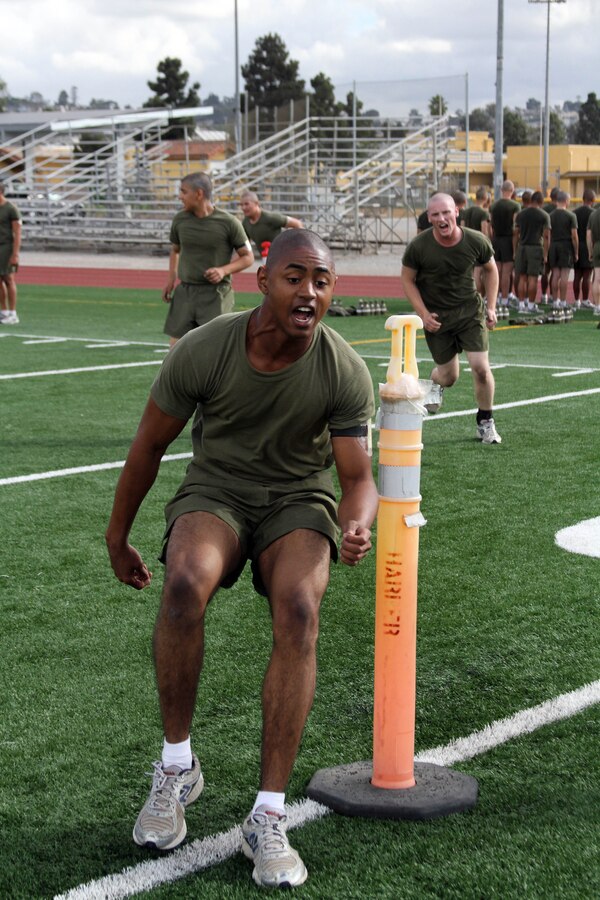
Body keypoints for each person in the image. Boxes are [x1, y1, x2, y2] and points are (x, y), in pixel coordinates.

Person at [105, 228, 378, 889]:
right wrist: (117, 537)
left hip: (297, 500)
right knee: (183, 586)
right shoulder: (205, 349)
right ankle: (176, 767)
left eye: (322, 279)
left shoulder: (343, 368)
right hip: (217, 490)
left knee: (300, 608)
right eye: (294, 276)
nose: (308, 291)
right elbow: (146, 447)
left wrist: (358, 523)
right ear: (264, 280)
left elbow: (358, 478)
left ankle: (268, 813)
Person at [401, 192, 502, 444]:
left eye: (446, 212)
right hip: (437, 318)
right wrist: (423, 314)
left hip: (470, 312)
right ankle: (435, 385)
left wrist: (491, 306)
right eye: (435, 214)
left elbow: (491, 270)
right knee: (449, 377)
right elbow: (407, 279)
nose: (441, 218)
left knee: (480, 369)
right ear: (429, 217)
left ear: (457, 212)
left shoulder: (476, 240)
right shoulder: (419, 246)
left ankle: (485, 421)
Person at [162, 172, 254, 347]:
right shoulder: (180, 220)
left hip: (216, 294)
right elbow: (175, 250)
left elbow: (248, 257)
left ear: (199, 194)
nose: (180, 196)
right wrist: (171, 279)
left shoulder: (229, 222)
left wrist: (223, 270)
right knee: (175, 349)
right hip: (185, 292)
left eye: (183, 191)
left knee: (213, 348)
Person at [514, 191, 551, 313]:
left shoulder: (521, 214)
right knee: (533, 279)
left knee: (522, 277)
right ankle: (530, 305)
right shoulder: (544, 215)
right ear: (541, 201)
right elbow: (546, 237)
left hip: (522, 247)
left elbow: (516, 233)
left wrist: (515, 250)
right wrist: (545, 254)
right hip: (535, 248)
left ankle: (520, 304)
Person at [240, 190, 304, 259]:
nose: (243, 208)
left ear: (257, 203)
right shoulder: (245, 222)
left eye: (247, 204)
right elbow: (245, 244)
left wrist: (299, 247)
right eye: (241, 205)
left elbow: (297, 223)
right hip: (266, 259)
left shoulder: (269, 217)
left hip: (284, 257)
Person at [490, 180, 520, 310]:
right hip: (508, 240)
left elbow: (490, 225)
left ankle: (495, 298)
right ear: (512, 191)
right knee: (506, 272)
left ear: (502, 190)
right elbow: (516, 227)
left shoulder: (494, 205)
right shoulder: (515, 206)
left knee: (497, 271)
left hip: (496, 239)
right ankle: (505, 299)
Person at [548, 192, 578, 309]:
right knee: (565, 275)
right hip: (566, 245)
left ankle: (555, 301)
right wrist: (576, 252)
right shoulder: (571, 216)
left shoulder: (550, 215)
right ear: (566, 201)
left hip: (554, 245)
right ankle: (563, 302)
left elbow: (547, 234)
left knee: (555, 274)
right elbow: (574, 236)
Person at [462, 187, 492, 299]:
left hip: (466, 244)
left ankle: (469, 297)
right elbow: (484, 231)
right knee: (478, 274)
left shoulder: (466, 211)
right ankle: (478, 297)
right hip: (478, 246)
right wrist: (487, 244)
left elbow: (462, 227)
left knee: (469, 273)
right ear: (485, 198)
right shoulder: (483, 213)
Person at [0, 182, 22, 325]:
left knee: (8, 279)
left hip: (6, 247)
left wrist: (15, 254)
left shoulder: (11, 209)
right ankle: (3, 311)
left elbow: (17, 232)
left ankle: (13, 313)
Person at [573, 188, 596, 307]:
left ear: (582, 199)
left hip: (577, 245)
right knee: (587, 275)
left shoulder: (574, 212)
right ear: (592, 200)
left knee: (577, 275)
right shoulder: (593, 213)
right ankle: (585, 300)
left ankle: (576, 301)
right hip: (588, 245)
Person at [540, 187, 559, 302]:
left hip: (544, 243)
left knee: (545, 272)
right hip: (556, 243)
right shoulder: (561, 210)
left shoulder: (544, 210)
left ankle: (543, 295)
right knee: (555, 272)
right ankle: (552, 295)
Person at [586, 204, 600, 317]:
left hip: (597, 246)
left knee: (597, 278)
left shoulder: (593, 214)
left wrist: (590, 251)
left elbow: (589, 235)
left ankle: (597, 306)